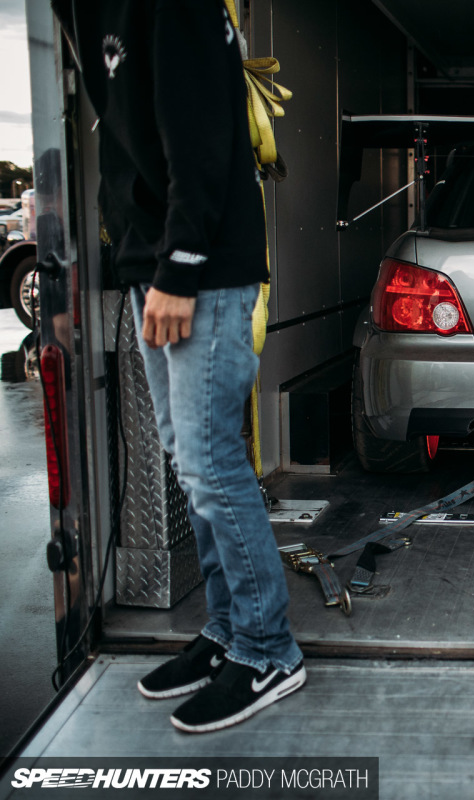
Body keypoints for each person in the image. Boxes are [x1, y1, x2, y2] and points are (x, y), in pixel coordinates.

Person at [59, 0, 305, 733]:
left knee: (211, 460)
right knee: (189, 459)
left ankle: (268, 648)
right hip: (155, 264)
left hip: (201, 271)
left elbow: (202, 137)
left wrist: (181, 265)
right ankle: (228, 631)